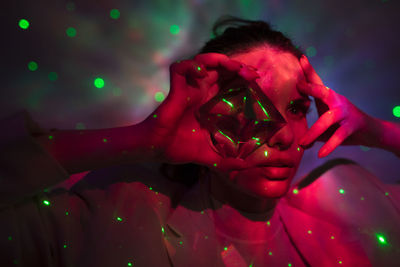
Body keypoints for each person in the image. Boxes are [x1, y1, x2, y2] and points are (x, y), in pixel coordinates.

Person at [1, 16, 400, 267]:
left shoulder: (353, 204)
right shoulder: (117, 210)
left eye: (296, 108)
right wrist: (141, 139)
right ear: (206, 112)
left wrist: (377, 131)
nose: (281, 134)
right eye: (251, 109)